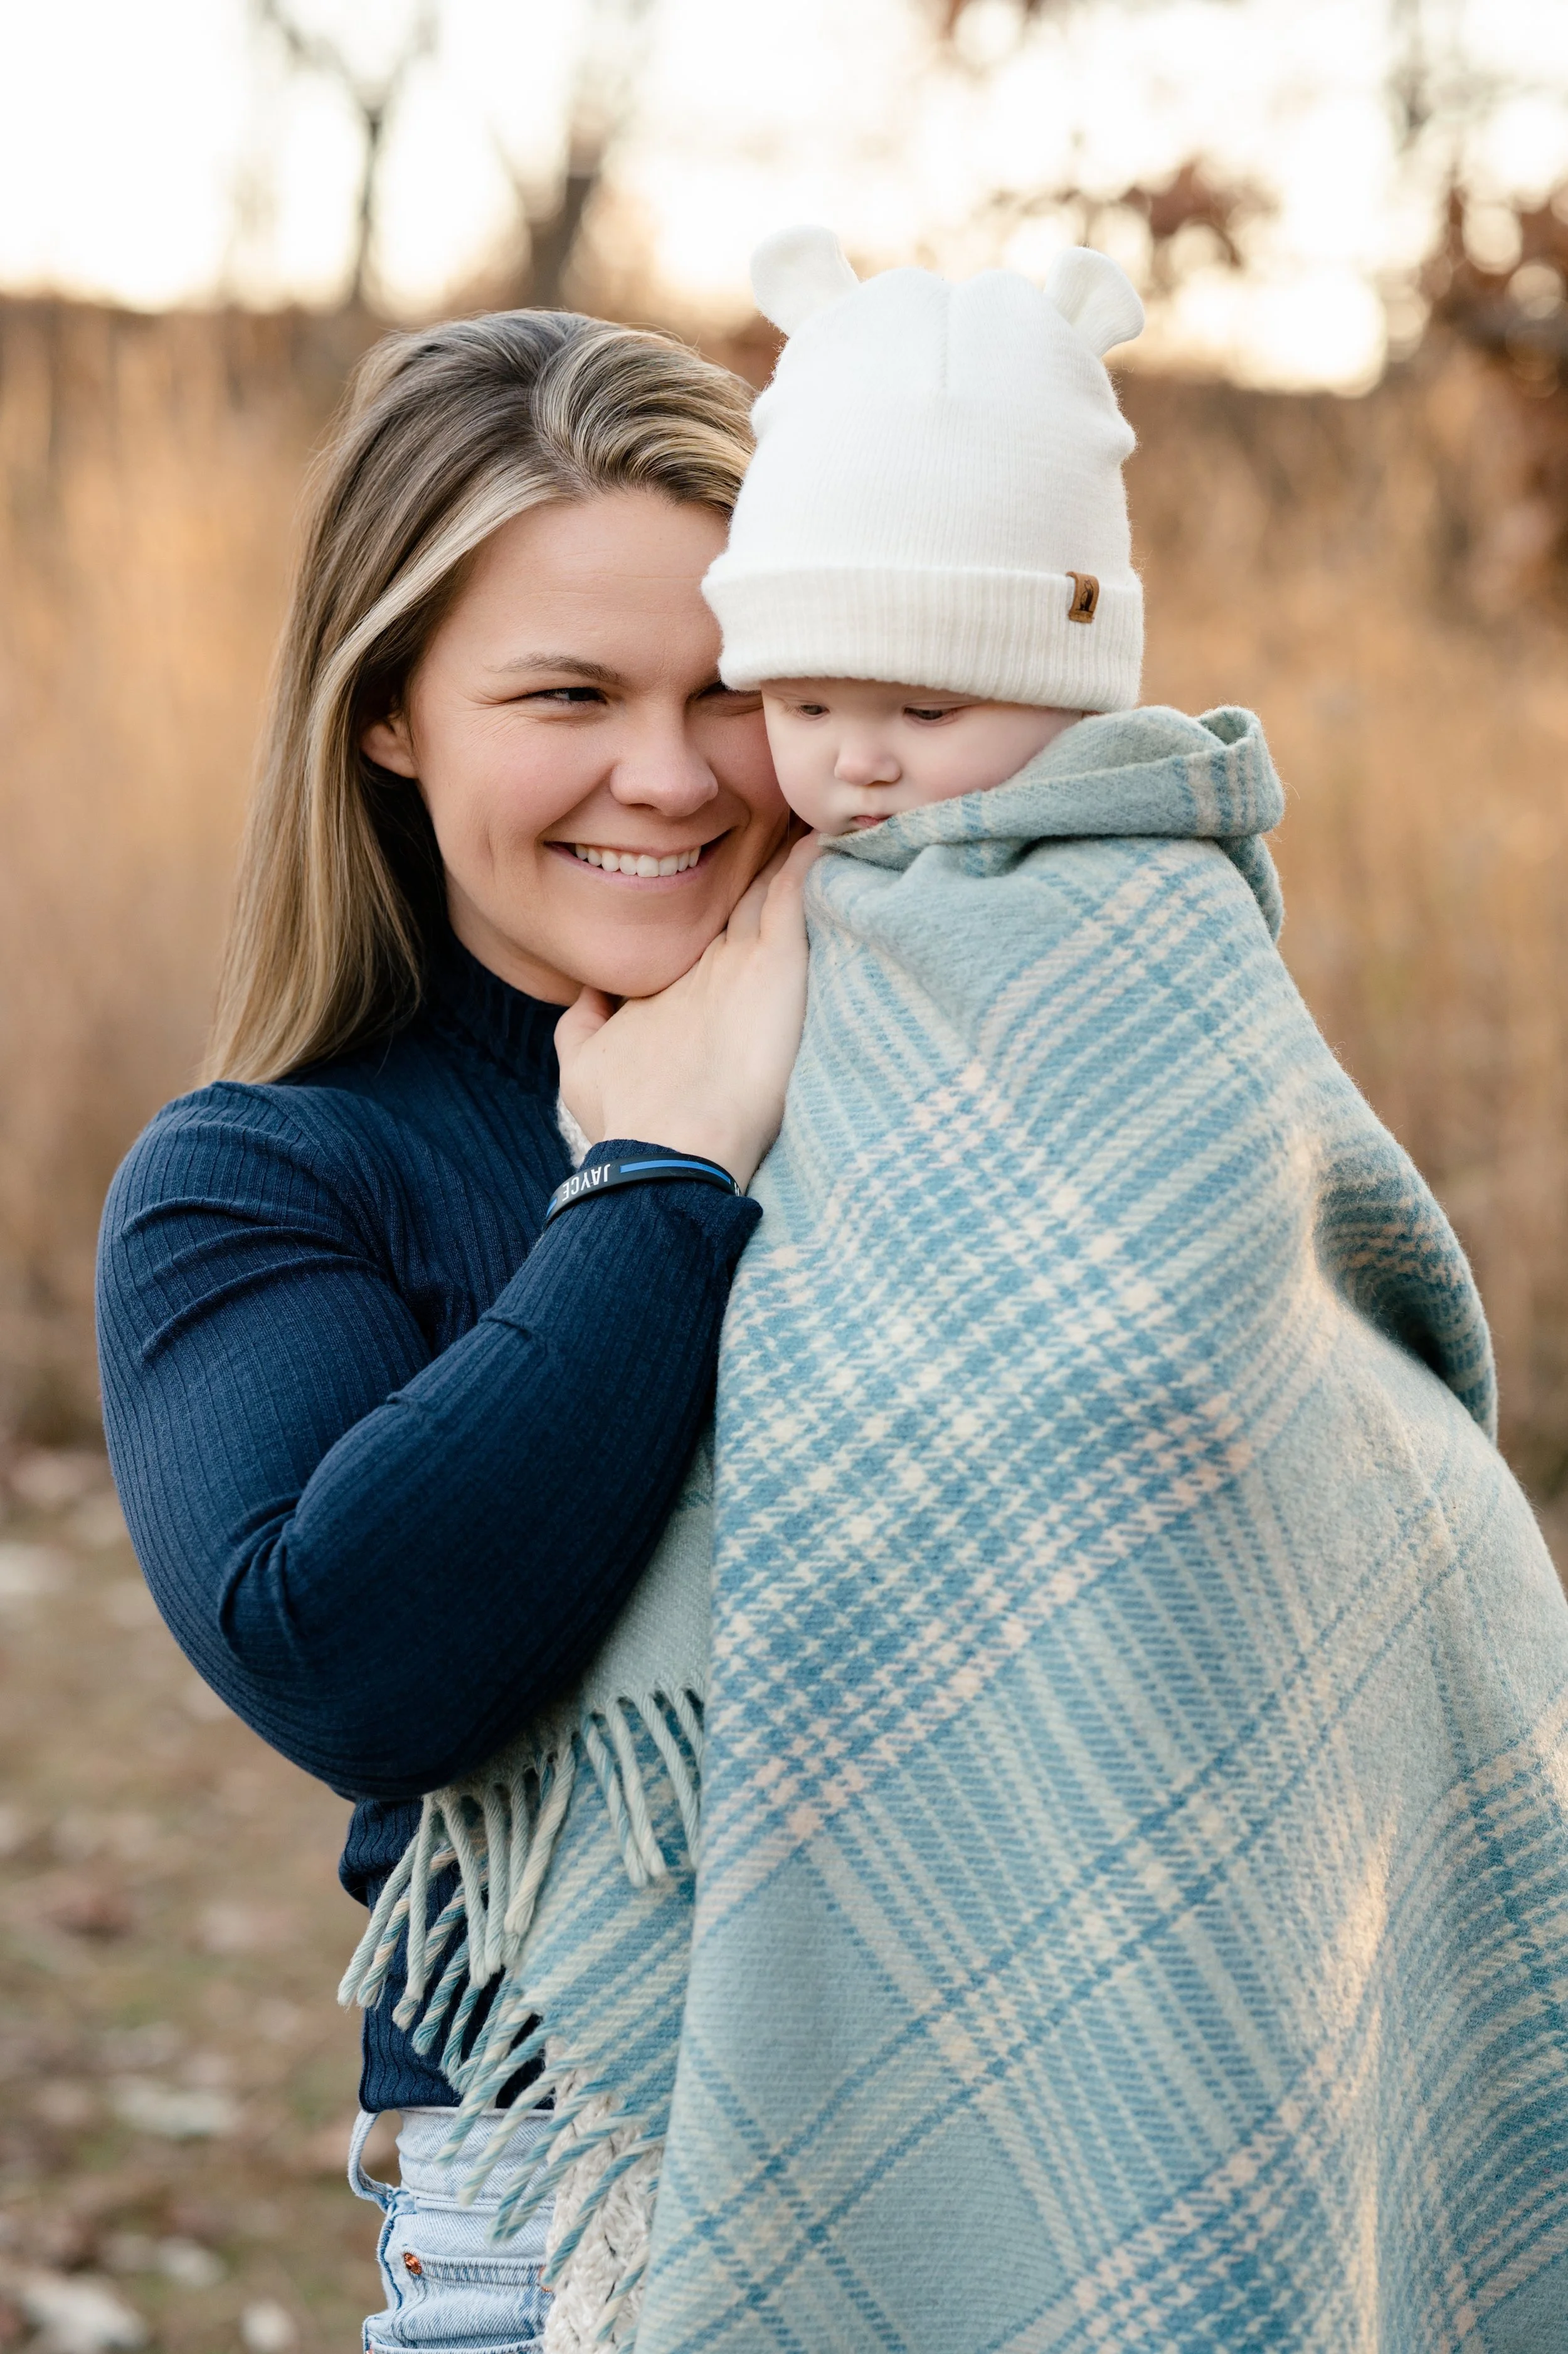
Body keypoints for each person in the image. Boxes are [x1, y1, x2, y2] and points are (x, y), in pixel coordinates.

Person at [94, 310, 816, 2354]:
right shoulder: (266, 1179)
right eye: (567, 692)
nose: (667, 775)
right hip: (571, 2188)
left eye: (728, 689)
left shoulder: (951, 1087)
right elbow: (360, 1657)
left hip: (1039, 2110)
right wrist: (663, 1180)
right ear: (389, 710)